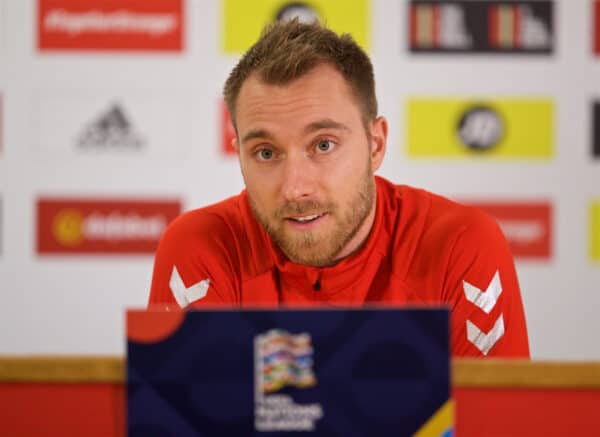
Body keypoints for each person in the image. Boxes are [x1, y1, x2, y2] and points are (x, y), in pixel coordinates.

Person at [148, 19, 529, 358]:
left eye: (324, 145)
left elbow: (497, 424)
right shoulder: (201, 246)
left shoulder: (459, 245)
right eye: (266, 152)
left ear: (375, 144)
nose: (295, 188)